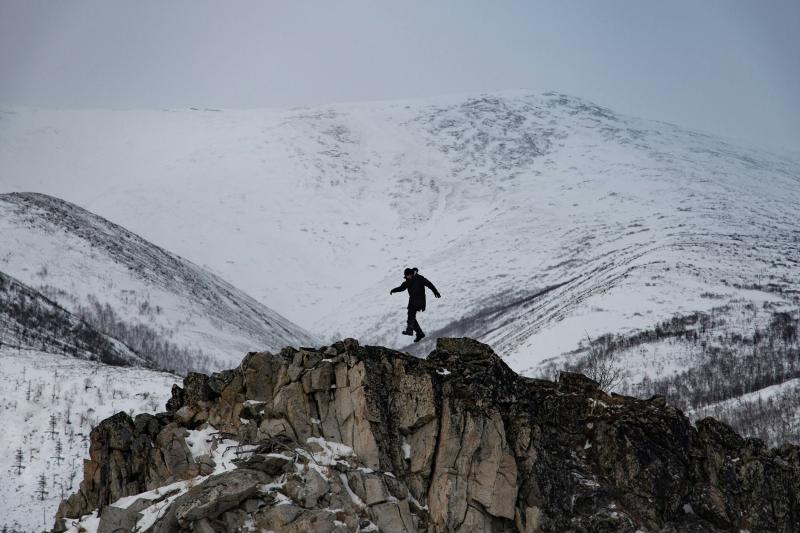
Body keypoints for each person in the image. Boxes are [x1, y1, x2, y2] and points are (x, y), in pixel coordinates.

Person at [389, 267, 440, 342]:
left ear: (411, 274)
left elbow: (429, 284)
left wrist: (435, 291)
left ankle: (410, 330)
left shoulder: (419, 278)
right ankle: (419, 333)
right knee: (412, 317)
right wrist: (393, 290)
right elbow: (401, 288)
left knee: (411, 315)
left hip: (419, 300)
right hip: (412, 301)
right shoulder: (407, 282)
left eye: (407, 275)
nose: (407, 277)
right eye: (406, 276)